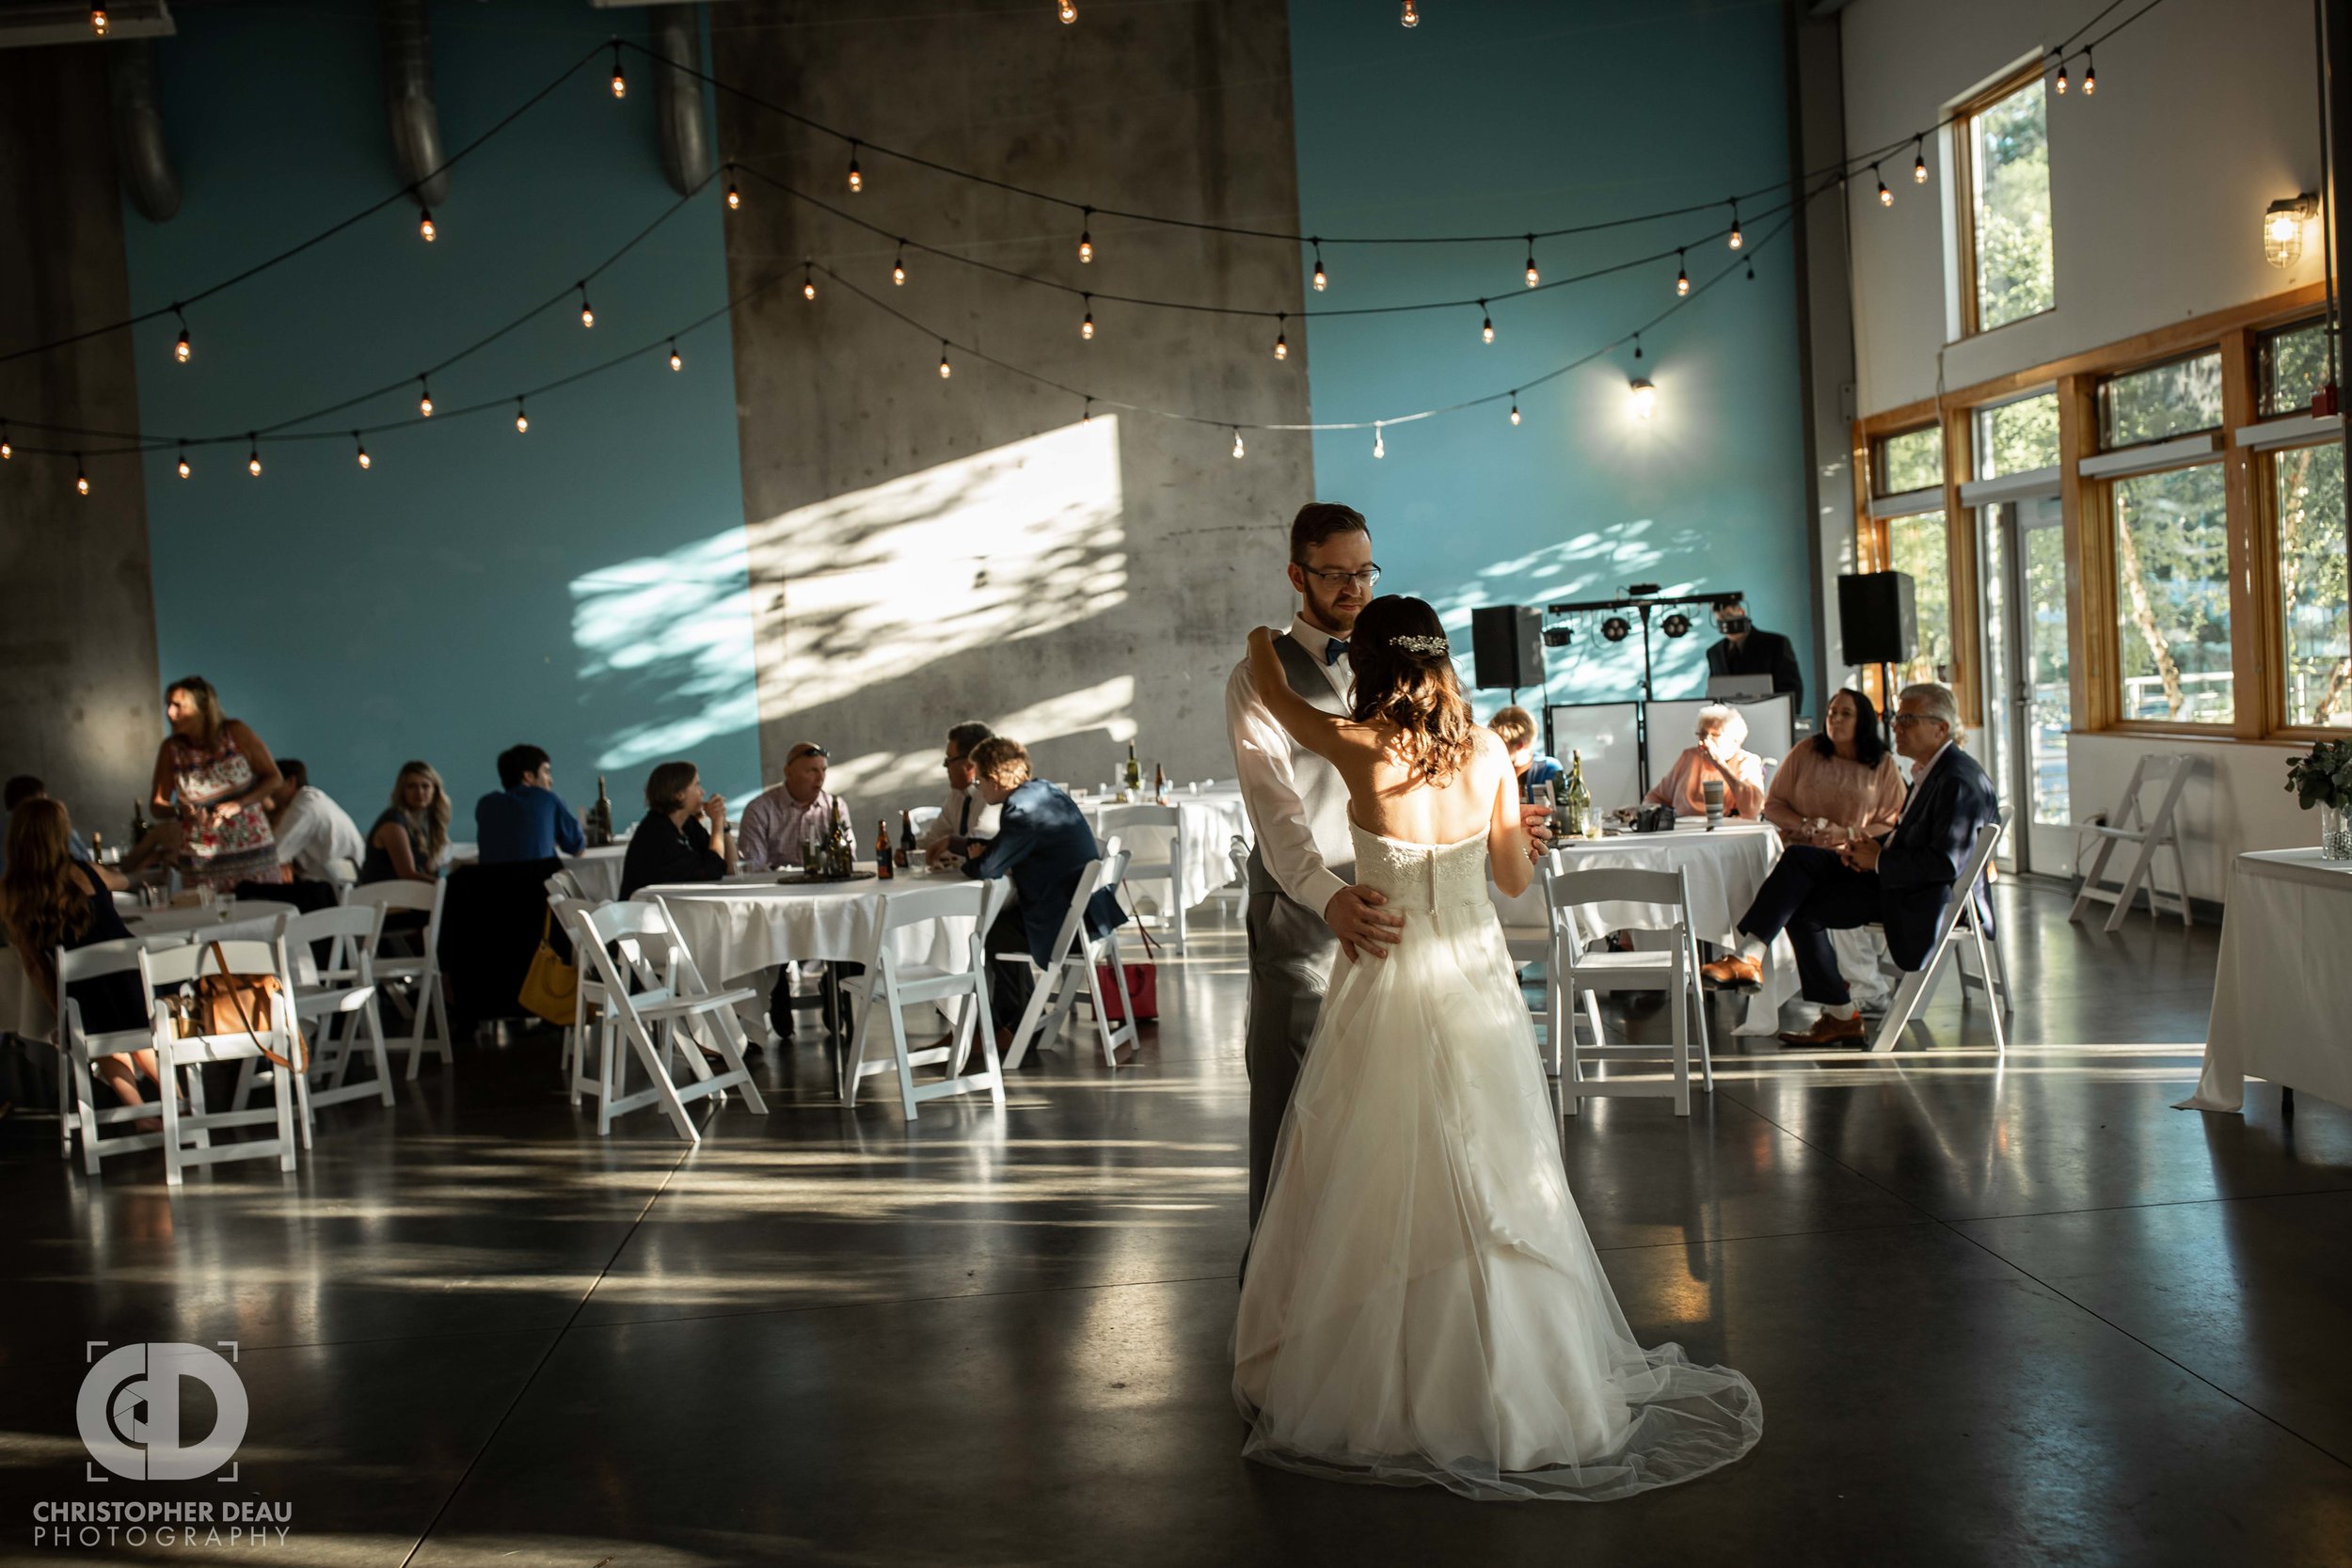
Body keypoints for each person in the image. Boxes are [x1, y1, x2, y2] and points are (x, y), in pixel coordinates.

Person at [1231, 595, 1761, 1499]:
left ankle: (1398, 1387)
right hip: (1475, 974)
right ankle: (1523, 1389)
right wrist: (1518, 832)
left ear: (1366, 664)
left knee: (1386, 1167)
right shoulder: (1486, 752)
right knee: (1495, 1170)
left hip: (1390, 973)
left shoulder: (1360, 748)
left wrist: (1258, 635)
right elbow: (1515, 877)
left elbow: (1277, 700)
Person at [1702, 683, 1999, 1048]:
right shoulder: (1932, 771)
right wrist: (1869, 848)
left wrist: (1878, 859)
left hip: (1923, 896)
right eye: (1896, 717)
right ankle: (1756, 957)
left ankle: (1821, 1003)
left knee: (1800, 902)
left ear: (1941, 729)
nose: (1896, 726)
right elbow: (1913, 838)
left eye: (1908, 718)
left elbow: (1946, 863)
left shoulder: (1957, 781)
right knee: (1799, 862)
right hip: (1900, 878)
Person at [959, 736, 1125, 1044]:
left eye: (980, 779)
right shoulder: (1044, 791)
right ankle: (1014, 1023)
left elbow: (986, 869)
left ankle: (1014, 1026)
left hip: (1069, 928)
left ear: (995, 780)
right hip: (1091, 914)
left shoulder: (1019, 810)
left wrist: (971, 861)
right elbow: (1006, 849)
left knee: (990, 932)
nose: (978, 788)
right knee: (1002, 927)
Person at [1, 799, 157, 1117]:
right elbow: (127, 879)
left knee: (96, 1030)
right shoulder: (87, 872)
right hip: (131, 980)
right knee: (140, 1030)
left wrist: (61, 1015)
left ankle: (139, 1113)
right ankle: (179, 1101)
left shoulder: (12, 892)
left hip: (82, 993)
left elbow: (34, 963)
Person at [150, 675, 286, 890]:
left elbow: (274, 778)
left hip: (253, 857)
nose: (170, 713)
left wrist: (239, 804)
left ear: (202, 708)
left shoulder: (235, 732)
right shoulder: (171, 750)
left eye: (178, 706)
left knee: (263, 912)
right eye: (168, 705)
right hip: (201, 863)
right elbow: (157, 806)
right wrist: (180, 811)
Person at [1759, 688, 1905, 849]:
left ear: (1863, 721)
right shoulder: (1805, 751)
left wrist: (1846, 834)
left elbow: (1892, 825)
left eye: (1846, 714)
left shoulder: (1883, 764)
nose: (1836, 719)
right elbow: (1773, 806)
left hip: (1852, 856)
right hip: (1798, 851)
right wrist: (1803, 825)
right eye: (1832, 712)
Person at [618, 761, 730, 898]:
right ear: (679, 794)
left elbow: (730, 867)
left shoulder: (687, 824)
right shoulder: (657, 834)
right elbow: (712, 872)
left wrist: (723, 826)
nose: (703, 792)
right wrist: (717, 823)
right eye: (697, 785)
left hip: (673, 908)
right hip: (642, 913)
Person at [1645, 704, 1767, 819]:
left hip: (1726, 831)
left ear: (1735, 739)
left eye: (1715, 735)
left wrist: (1719, 764)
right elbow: (1654, 797)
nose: (1704, 742)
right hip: (1684, 831)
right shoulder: (1689, 757)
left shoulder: (1747, 761)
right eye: (1702, 734)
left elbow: (1752, 810)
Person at [737, 742, 844, 872]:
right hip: (777, 887)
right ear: (788, 772)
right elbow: (754, 867)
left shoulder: (835, 807)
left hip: (826, 885)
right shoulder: (759, 810)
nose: (820, 778)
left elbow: (845, 859)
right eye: (812, 771)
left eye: (824, 770)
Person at [475, 745, 585, 864]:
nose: (551, 780)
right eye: (546, 772)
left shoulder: (485, 805)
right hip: (540, 881)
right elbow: (577, 849)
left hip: (493, 883)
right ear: (529, 776)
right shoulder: (548, 800)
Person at [267, 758, 366, 884]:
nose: (269, 791)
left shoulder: (304, 807)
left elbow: (272, 855)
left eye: (273, 784)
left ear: (291, 781)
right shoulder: (313, 798)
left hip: (337, 885)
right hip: (343, 879)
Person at [920, 721, 1004, 867]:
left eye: (949, 760)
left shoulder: (993, 794)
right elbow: (933, 839)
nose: (945, 766)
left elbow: (976, 842)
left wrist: (949, 845)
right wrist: (909, 852)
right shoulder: (958, 796)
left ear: (970, 763)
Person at [1705, 598, 1804, 716]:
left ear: (1741, 612)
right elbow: (1713, 691)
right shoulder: (1714, 652)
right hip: (1727, 723)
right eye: (1720, 620)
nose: (1726, 623)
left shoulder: (1776, 644)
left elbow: (1792, 689)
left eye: (1729, 616)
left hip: (1769, 718)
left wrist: (1789, 721)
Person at [360, 761, 452, 885]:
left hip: (409, 894)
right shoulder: (393, 822)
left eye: (425, 786)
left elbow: (427, 870)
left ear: (435, 790)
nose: (419, 792)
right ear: (402, 791)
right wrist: (448, 886)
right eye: (411, 786)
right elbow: (407, 874)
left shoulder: (423, 824)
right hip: (384, 896)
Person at [1, 776, 91, 875]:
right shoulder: (50, 825)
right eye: (45, 800)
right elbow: (84, 863)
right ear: (39, 802)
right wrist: (63, 821)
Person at [1487, 706, 1564, 801]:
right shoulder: (1490, 770)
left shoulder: (1548, 768)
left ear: (1519, 745)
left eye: (1500, 744)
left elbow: (1559, 809)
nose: (1494, 749)